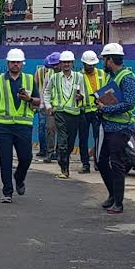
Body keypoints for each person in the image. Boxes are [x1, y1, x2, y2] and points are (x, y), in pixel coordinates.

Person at [0, 47, 38, 204]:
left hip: (23, 126)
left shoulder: (29, 80)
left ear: (22, 64)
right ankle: (7, 192)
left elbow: (38, 101)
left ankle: (19, 178)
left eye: (18, 62)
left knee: (26, 158)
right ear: (7, 63)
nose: (15, 65)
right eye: (13, 62)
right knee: (5, 159)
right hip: (3, 126)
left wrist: (29, 99)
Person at [93, 43, 135, 215]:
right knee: (101, 161)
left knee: (117, 164)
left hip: (120, 128)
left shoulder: (127, 78)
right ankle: (113, 195)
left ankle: (118, 202)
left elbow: (129, 104)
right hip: (108, 126)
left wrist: (105, 108)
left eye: (104, 59)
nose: (103, 62)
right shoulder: (111, 76)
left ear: (110, 59)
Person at [46, 48, 88, 177]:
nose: (66, 64)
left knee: (70, 142)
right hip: (60, 112)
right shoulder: (55, 77)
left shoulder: (79, 77)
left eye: (68, 62)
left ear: (72, 63)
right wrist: (49, 107)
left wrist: (81, 98)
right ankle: (65, 168)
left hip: (74, 114)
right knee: (63, 141)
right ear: (60, 63)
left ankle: (63, 158)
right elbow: (47, 92)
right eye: (64, 62)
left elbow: (84, 94)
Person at [74, 49, 103, 174]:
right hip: (84, 111)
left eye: (92, 65)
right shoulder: (78, 76)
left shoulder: (102, 74)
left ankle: (98, 162)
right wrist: (78, 98)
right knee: (83, 139)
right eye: (88, 65)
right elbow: (75, 94)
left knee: (99, 138)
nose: (90, 67)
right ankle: (85, 164)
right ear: (83, 64)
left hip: (98, 110)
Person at [34, 53, 59, 161]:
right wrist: (44, 104)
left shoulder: (72, 75)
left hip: (65, 107)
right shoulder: (48, 74)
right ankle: (49, 152)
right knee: (49, 129)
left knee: (62, 132)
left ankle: (59, 152)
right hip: (50, 107)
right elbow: (45, 90)